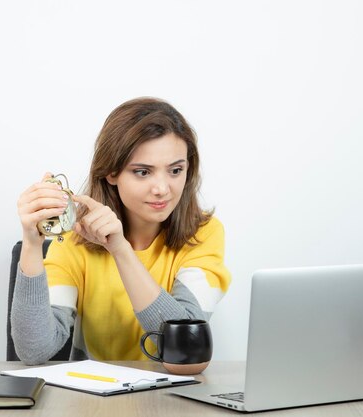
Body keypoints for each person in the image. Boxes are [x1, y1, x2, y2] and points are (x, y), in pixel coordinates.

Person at [12, 97, 231, 365]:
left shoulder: (204, 234)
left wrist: (120, 250)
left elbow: (185, 344)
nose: (162, 188)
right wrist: (32, 243)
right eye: (143, 172)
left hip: (174, 398)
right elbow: (34, 350)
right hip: (91, 400)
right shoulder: (74, 239)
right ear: (112, 172)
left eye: (176, 170)